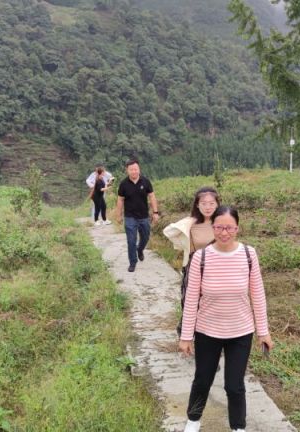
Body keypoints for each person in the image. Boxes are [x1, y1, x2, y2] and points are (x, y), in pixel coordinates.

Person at [179, 206, 273, 432]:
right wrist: (186, 336)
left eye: (229, 228)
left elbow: (257, 294)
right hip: (207, 331)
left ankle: (238, 428)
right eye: (219, 227)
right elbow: (191, 299)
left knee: (235, 385)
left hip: (240, 331)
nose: (224, 233)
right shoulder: (201, 257)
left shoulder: (249, 254)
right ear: (213, 227)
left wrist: (263, 332)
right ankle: (193, 421)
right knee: (202, 379)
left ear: (237, 228)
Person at [163, 187, 220, 335]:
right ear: (197, 205)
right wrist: (189, 223)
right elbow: (168, 232)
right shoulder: (190, 223)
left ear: (217, 205)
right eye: (204, 203)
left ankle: (209, 334)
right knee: (191, 303)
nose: (208, 207)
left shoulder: (220, 223)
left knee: (213, 305)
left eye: (211, 203)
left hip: (217, 270)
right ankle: (186, 332)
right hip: (194, 268)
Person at [115, 159, 160, 272]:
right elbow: (120, 200)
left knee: (145, 237)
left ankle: (140, 249)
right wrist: (118, 215)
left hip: (144, 216)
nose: (134, 171)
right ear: (127, 170)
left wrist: (155, 212)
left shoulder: (145, 181)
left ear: (139, 169)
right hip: (130, 217)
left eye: (136, 169)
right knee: (131, 241)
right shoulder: (123, 184)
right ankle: (133, 262)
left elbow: (152, 197)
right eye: (131, 169)